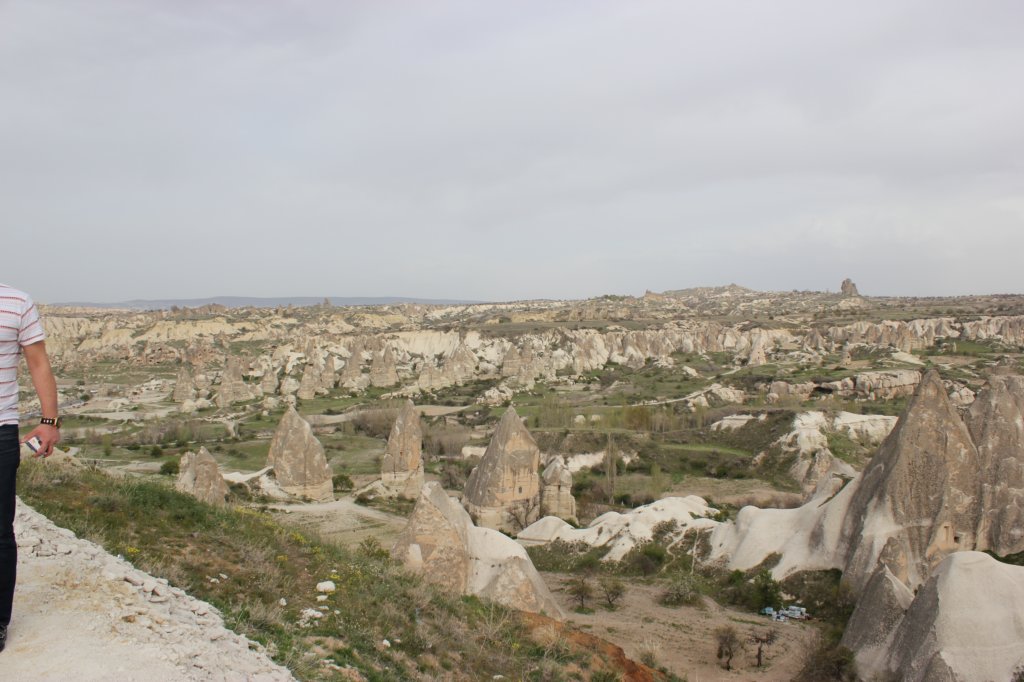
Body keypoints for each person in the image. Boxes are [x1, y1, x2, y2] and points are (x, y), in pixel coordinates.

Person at [0, 283, 61, 654]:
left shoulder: (17, 302)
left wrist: (49, 420)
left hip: (1, 429)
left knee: (0, 532)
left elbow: (38, 363)